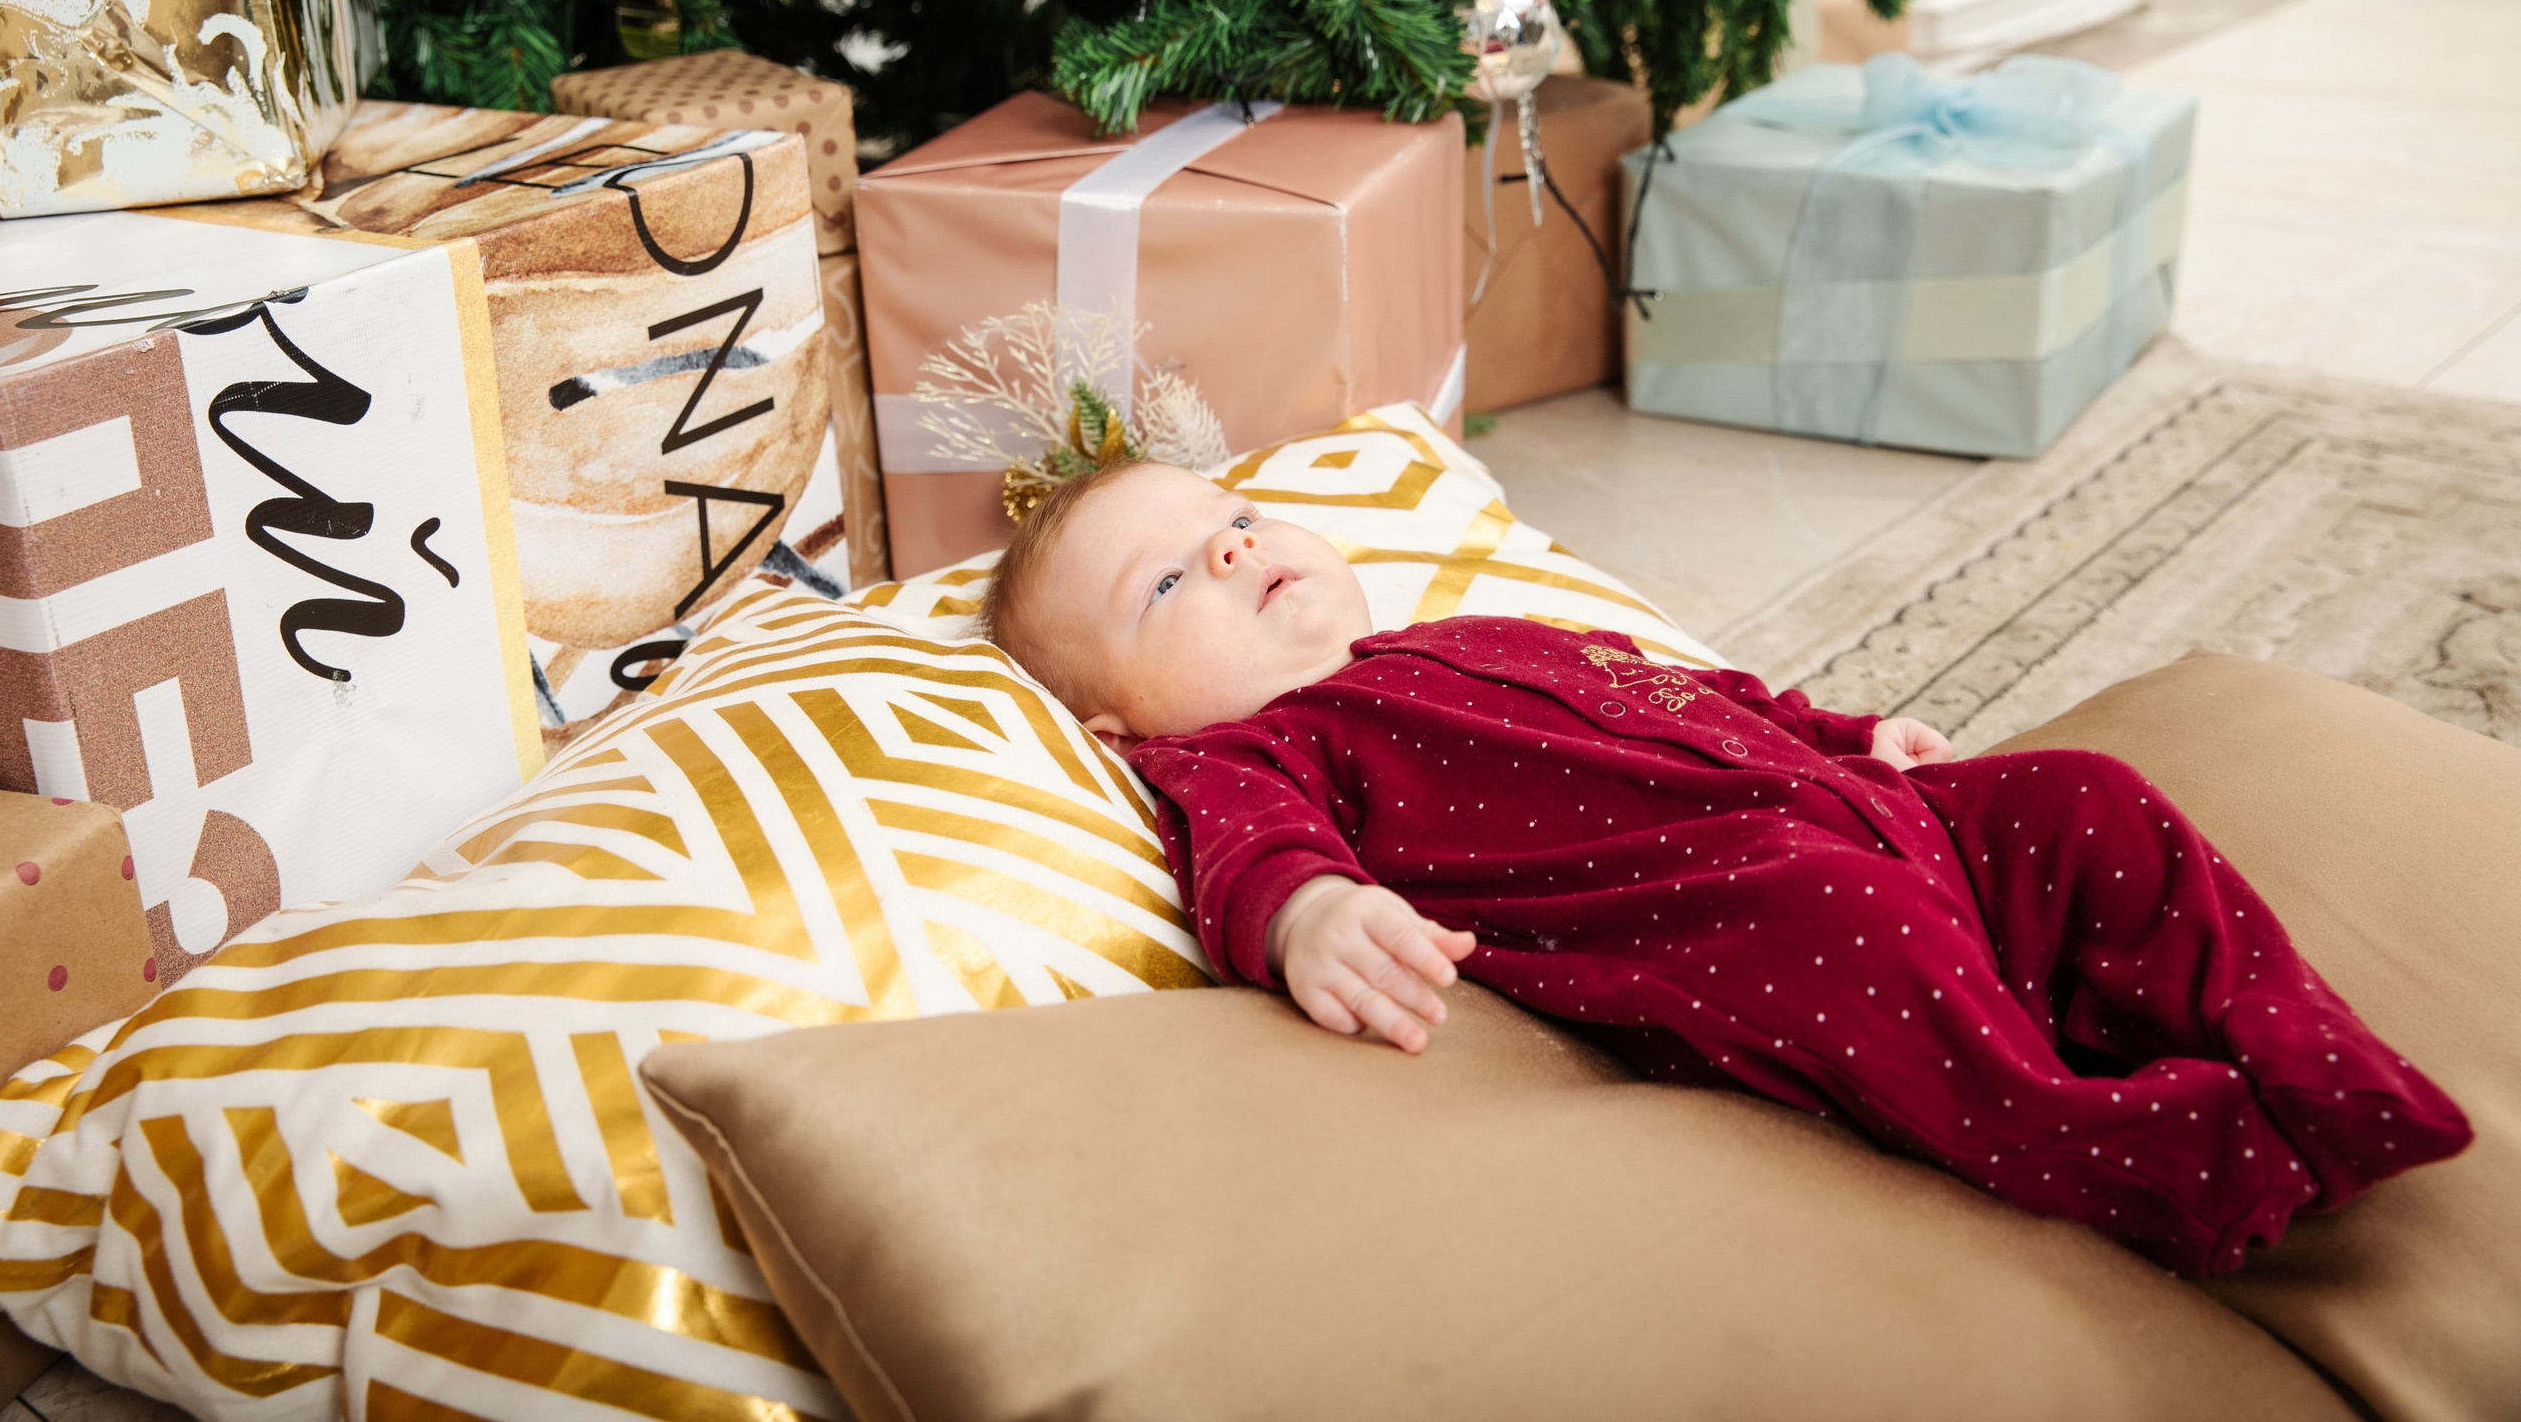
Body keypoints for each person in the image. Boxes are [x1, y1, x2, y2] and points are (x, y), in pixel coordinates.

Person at [979, 459, 2470, 1276]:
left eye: (1235, 519)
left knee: (2089, 797)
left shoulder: (1469, 632)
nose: (1232, 553)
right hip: (1734, 916)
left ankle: (2300, 1047)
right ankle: (2142, 1155)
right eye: (1165, 582)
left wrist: (1848, 733)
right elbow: (1250, 855)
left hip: (1879, 816)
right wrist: (1310, 914)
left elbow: (1690, 689)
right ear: (1119, 724)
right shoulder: (1245, 749)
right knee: (1859, 932)